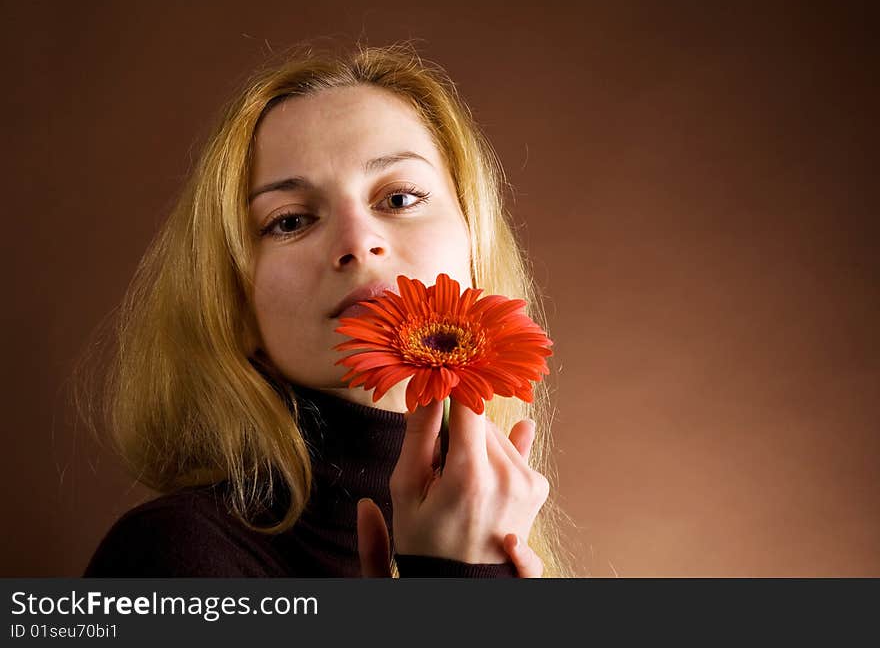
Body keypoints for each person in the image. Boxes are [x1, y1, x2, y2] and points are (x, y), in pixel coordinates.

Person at [79, 41, 575, 578]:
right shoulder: (167, 556)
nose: (358, 242)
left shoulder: (514, 540)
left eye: (401, 198)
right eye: (290, 220)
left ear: (474, 249)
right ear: (236, 305)